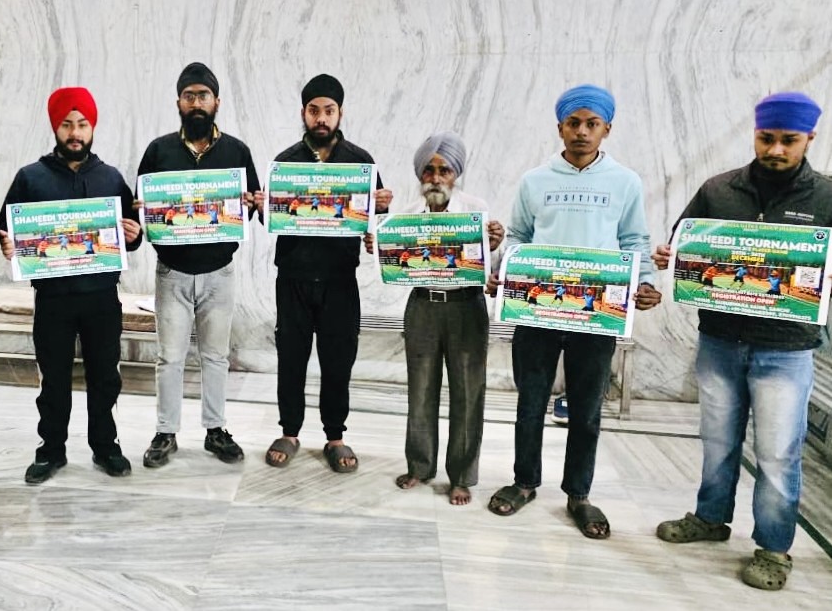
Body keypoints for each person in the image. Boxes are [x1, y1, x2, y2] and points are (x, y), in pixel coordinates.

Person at [652, 92, 830, 591]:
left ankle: (773, 548)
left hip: (787, 348)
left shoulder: (827, 198)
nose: (775, 150)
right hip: (720, 340)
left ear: (809, 139)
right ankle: (711, 518)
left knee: (776, 453)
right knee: (717, 440)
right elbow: (684, 242)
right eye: (766, 138)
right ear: (755, 134)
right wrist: (672, 256)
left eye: (788, 141)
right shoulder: (718, 190)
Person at [485, 84, 661, 538]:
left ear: (607, 129)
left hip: (596, 312)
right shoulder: (535, 180)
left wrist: (646, 281)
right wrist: (505, 271)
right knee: (530, 402)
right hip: (537, 311)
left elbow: (634, 240)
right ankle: (524, 482)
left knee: (586, 409)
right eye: (573, 123)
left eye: (592, 124)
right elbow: (520, 236)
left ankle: (579, 494)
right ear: (560, 128)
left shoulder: (625, 182)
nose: (582, 132)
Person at [0, 87, 143, 482]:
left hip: (101, 298)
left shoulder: (110, 178)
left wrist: (134, 235)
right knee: (54, 379)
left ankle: (105, 446)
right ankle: (51, 450)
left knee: (105, 377)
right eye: (66, 125)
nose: (74, 133)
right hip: (53, 299)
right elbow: (6, 227)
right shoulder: (30, 177)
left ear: (92, 127)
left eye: (82, 124)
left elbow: (131, 233)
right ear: (55, 128)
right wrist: (9, 243)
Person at [262, 74, 392, 473]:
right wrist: (260, 203)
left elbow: (374, 219)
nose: (321, 118)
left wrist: (381, 206)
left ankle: (335, 436)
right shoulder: (285, 162)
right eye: (314, 110)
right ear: (303, 113)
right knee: (292, 357)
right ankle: (289, 431)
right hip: (294, 277)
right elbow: (270, 216)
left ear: (340, 113)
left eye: (329, 111)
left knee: (338, 359)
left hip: (339, 279)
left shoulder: (360, 162)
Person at [366, 132, 504, 505]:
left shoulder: (476, 210)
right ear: (420, 174)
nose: (436, 178)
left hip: (467, 307)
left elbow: (490, 268)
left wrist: (494, 245)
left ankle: (461, 477)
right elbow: (396, 264)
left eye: (445, 170)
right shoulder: (408, 215)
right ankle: (420, 466)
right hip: (422, 307)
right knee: (420, 389)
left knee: (467, 393)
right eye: (429, 170)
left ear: (456, 174)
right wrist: (379, 247)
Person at [136, 63, 261, 468]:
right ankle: (165, 432)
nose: (196, 103)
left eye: (203, 96)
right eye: (189, 96)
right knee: (169, 358)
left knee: (216, 356)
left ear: (216, 102)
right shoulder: (159, 151)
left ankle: (215, 429)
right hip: (172, 272)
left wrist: (252, 203)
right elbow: (139, 210)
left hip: (218, 272)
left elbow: (253, 205)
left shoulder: (236, 152)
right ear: (178, 102)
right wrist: (141, 209)